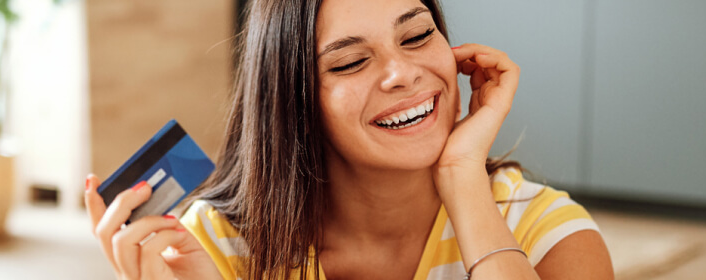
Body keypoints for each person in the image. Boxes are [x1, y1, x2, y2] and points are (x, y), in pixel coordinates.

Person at [83, 0, 614, 278]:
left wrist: (462, 176)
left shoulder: (547, 233)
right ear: (292, 102)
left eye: (417, 35)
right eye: (351, 61)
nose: (401, 73)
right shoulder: (209, 247)